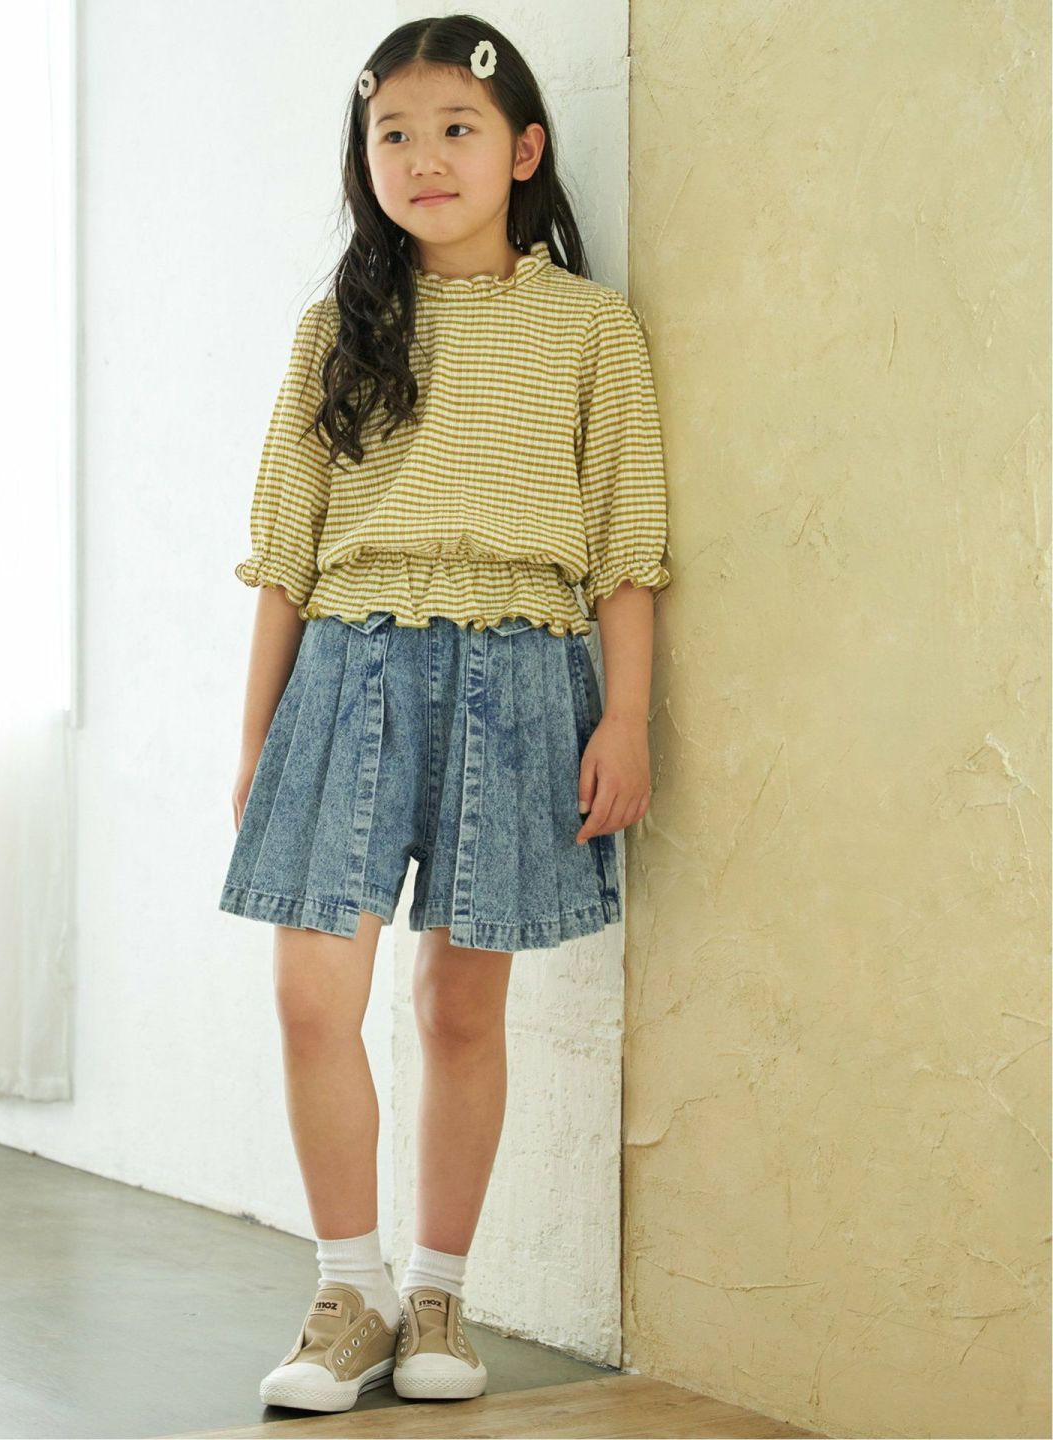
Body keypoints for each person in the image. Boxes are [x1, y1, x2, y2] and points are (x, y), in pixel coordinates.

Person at [218, 14, 672, 1415]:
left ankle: (436, 1298)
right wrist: (256, 738)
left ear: (523, 151)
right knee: (311, 995)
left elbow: (628, 547)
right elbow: (284, 555)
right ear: (365, 162)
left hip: (525, 680)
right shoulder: (336, 331)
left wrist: (627, 720)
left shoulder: (590, 329)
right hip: (347, 671)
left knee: (461, 1007)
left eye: (455, 130)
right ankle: (346, 1292)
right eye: (393, 135)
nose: (424, 157)